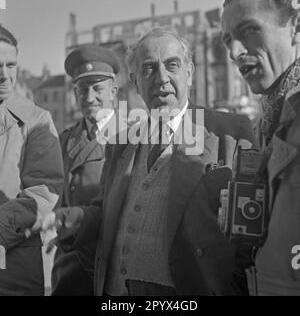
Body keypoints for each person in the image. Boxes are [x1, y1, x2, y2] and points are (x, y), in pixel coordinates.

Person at [45, 27, 256, 296]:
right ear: (135, 81)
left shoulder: (229, 132)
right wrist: (74, 218)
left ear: (189, 73)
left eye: (172, 65)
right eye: (149, 69)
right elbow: (105, 210)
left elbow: (250, 236)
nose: (162, 79)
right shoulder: (121, 144)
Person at [221, 0, 300, 295]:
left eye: (250, 30)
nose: (235, 52)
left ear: (296, 28)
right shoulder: (267, 121)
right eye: (227, 40)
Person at [51, 44, 122, 295]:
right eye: (83, 89)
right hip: (71, 263)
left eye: (97, 88)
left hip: (112, 263)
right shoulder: (66, 139)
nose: (89, 97)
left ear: (113, 91)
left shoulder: (133, 136)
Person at [0, 25, 64, 295]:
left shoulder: (37, 120)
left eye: (11, 65)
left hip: (11, 269)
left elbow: (43, 191)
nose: (5, 76)